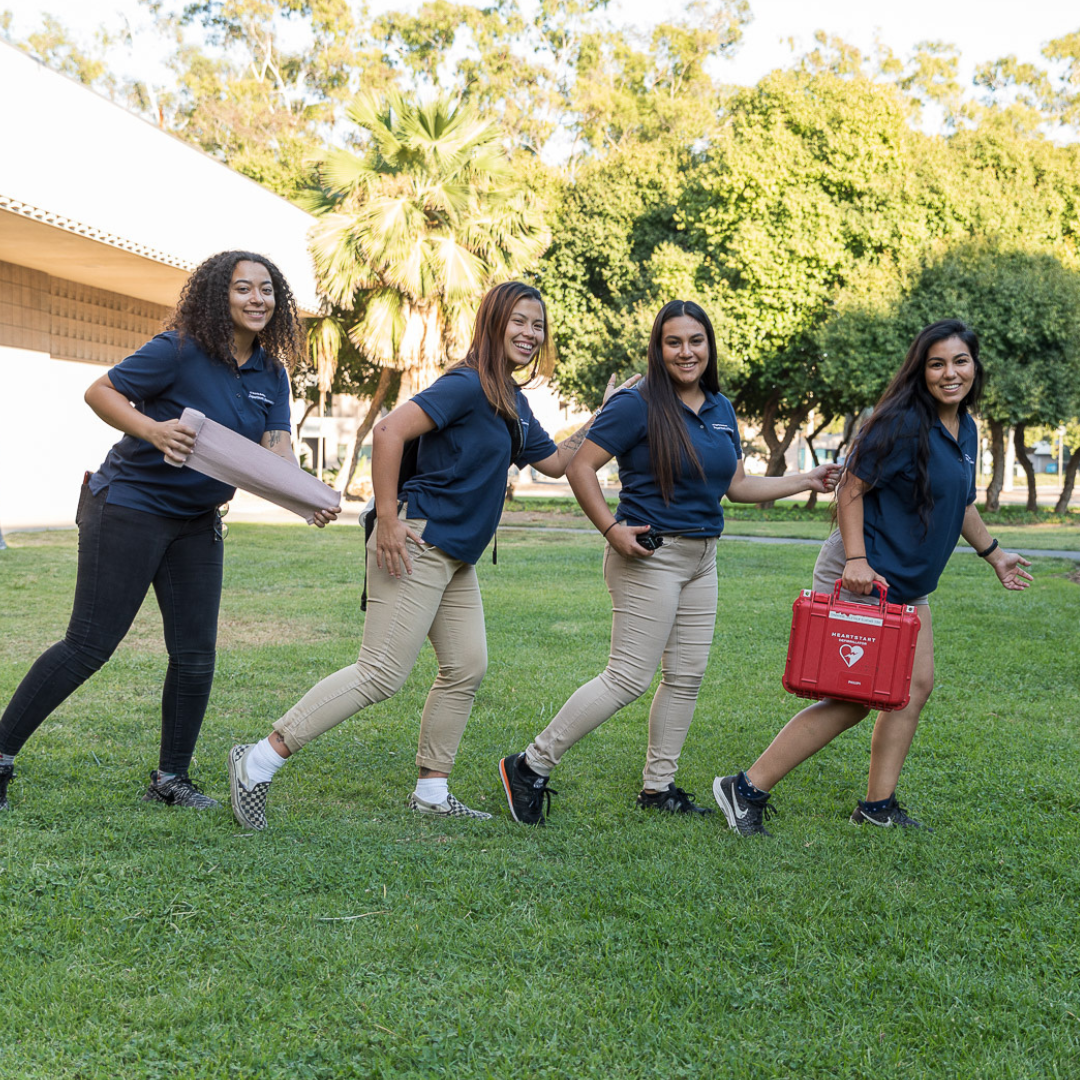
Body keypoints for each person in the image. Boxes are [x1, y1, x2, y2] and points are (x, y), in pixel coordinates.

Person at [227, 281, 630, 831]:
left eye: (537, 325)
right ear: (493, 323)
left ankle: (432, 791)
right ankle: (257, 761)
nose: (530, 334)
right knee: (380, 673)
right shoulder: (466, 385)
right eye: (519, 321)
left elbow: (558, 462)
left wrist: (603, 416)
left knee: (466, 666)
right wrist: (388, 518)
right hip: (417, 538)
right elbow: (390, 431)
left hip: (454, 555)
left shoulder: (513, 400)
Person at [0, 250, 338, 814]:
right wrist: (153, 430)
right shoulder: (179, 350)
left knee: (195, 655)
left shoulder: (271, 373)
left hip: (197, 523)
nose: (258, 300)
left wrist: (310, 498)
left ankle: (170, 779)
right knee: (88, 646)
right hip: (129, 506)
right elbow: (101, 391)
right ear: (218, 296)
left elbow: (275, 452)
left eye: (267, 290)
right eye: (243, 289)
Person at [498, 299, 840, 825]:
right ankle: (530, 764)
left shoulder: (721, 408)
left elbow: (738, 486)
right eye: (673, 342)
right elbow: (581, 468)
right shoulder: (636, 403)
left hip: (703, 558)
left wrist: (806, 480)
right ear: (659, 348)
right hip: (649, 557)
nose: (686, 352)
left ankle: (658, 788)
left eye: (695, 341)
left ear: (709, 346)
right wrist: (612, 530)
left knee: (685, 677)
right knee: (628, 677)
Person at [712, 319, 1034, 836]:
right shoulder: (903, 422)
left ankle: (877, 805)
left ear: (975, 366)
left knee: (914, 686)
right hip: (862, 573)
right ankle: (745, 788)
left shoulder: (965, 427)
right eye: (937, 363)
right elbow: (852, 490)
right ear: (921, 370)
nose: (950, 373)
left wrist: (993, 552)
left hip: (907, 582)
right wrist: (857, 562)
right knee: (855, 698)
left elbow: (960, 501)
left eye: (960, 361)